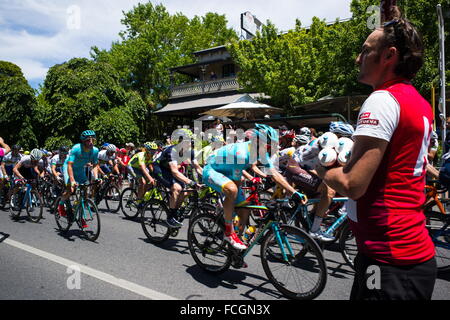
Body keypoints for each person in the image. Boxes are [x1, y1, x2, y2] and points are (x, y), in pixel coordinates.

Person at [316, 10, 436, 300]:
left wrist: (319, 166)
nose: (358, 58)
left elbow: (353, 185)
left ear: (389, 56)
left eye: (366, 51)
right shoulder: (418, 102)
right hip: (397, 257)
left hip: (389, 260)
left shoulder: (382, 100)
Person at [202, 124, 307, 250]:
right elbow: (235, 183)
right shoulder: (241, 154)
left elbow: (274, 174)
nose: (271, 149)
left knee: (245, 210)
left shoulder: (260, 152)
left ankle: (234, 249)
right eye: (269, 145)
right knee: (232, 191)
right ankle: (229, 233)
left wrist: (294, 192)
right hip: (212, 170)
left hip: (228, 172)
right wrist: (232, 204)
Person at [152, 129, 203, 228]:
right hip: (160, 170)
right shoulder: (172, 151)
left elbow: (197, 167)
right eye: (188, 141)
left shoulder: (190, 152)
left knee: (187, 191)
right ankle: (171, 216)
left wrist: (209, 178)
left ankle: (176, 210)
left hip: (171, 171)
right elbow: (175, 171)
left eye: (191, 141)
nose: (190, 143)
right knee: (177, 188)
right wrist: (191, 182)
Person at [57, 130, 100, 228]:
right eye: (88, 140)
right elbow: (69, 166)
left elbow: (95, 165)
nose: (91, 142)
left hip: (80, 170)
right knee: (71, 190)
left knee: (84, 194)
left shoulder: (95, 150)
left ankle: (80, 216)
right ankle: (61, 204)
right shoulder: (76, 148)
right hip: (69, 169)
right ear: (83, 141)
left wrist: (96, 178)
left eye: (93, 140)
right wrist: (72, 181)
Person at [127, 142, 158, 207]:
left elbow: (150, 167)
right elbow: (143, 168)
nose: (153, 153)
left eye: (154, 151)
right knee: (143, 182)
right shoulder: (141, 155)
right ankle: (138, 200)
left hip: (140, 168)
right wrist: (150, 178)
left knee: (149, 183)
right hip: (132, 167)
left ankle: (141, 198)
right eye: (152, 151)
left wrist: (157, 175)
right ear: (147, 150)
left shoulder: (150, 157)